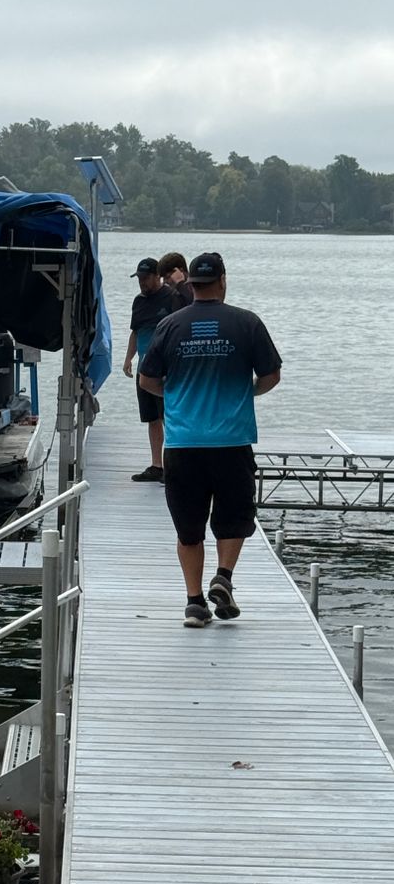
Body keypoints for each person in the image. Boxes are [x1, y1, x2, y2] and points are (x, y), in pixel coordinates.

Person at [139, 252, 282, 628]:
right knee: (234, 519)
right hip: (231, 441)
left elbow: (147, 380)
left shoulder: (170, 325)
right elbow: (271, 375)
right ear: (222, 280)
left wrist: (176, 396)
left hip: (183, 444)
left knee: (189, 528)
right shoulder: (246, 323)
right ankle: (224, 577)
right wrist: (247, 391)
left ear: (191, 285)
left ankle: (194, 603)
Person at [122, 257, 180, 482]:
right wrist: (128, 359)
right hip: (144, 368)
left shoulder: (172, 297)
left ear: (157, 276)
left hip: (165, 369)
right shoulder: (138, 302)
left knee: (168, 417)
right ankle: (157, 465)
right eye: (139, 279)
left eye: (146, 278)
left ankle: (172, 466)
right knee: (151, 418)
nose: (142, 283)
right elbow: (136, 332)